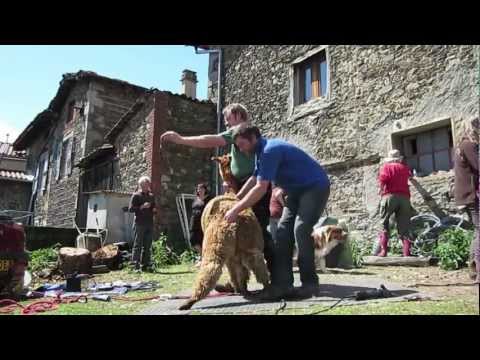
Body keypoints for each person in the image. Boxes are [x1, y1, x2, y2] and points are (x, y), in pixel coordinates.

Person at [160, 103, 274, 279]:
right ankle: (238, 279)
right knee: (238, 231)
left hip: (253, 184)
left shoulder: (240, 131)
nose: (226, 124)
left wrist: (180, 139)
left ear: (237, 116)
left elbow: (209, 140)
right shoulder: (241, 134)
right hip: (242, 184)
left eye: (228, 119)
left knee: (257, 229)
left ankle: (277, 276)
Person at [224, 124, 330, 300]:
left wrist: (237, 209)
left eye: (242, 144)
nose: (241, 150)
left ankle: (310, 284)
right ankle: (283, 285)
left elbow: (260, 187)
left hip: (315, 187)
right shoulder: (260, 153)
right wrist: (235, 197)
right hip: (295, 191)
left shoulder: (270, 150)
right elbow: (254, 178)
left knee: (301, 229)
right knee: (282, 232)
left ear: (253, 139)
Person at [453, 117, 479, 282]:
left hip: (466, 194)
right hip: (472, 194)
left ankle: (473, 268)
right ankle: (477, 270)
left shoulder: (459, 146)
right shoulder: (468, 145)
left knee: (478, 230)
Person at [375, 149, 414, 257]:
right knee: (404, 225)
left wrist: (380, 189)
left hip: (390, 196)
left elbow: (383, 178)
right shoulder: (404, 168)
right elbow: (410, 177)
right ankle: (406, 252)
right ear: (398, 158)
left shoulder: (386, 167)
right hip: (405, 198)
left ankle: (383, 251)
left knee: (384, 223)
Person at [129, 176, 157, 272]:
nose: (146, 186)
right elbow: (131, 209)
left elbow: (154, 208)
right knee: (138, 245)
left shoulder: (151, 196)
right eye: (144, 184)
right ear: (140, 185)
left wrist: (154, 210)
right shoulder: (136, 195)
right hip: (139, 223)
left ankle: (145, 265)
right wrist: (141, 207)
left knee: (147, 245)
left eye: (147, 184)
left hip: (149, 223)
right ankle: (134, 266)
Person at [189, 183, 213, 267]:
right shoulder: (196, 199)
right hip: (194, 222)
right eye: (198, 189)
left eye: (201, 189)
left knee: (203, 240)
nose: (200, 190)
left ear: (205, 190)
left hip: (204, 222)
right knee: (193, 239)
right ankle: (203, 256)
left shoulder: (209, 199)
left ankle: (203, 259)